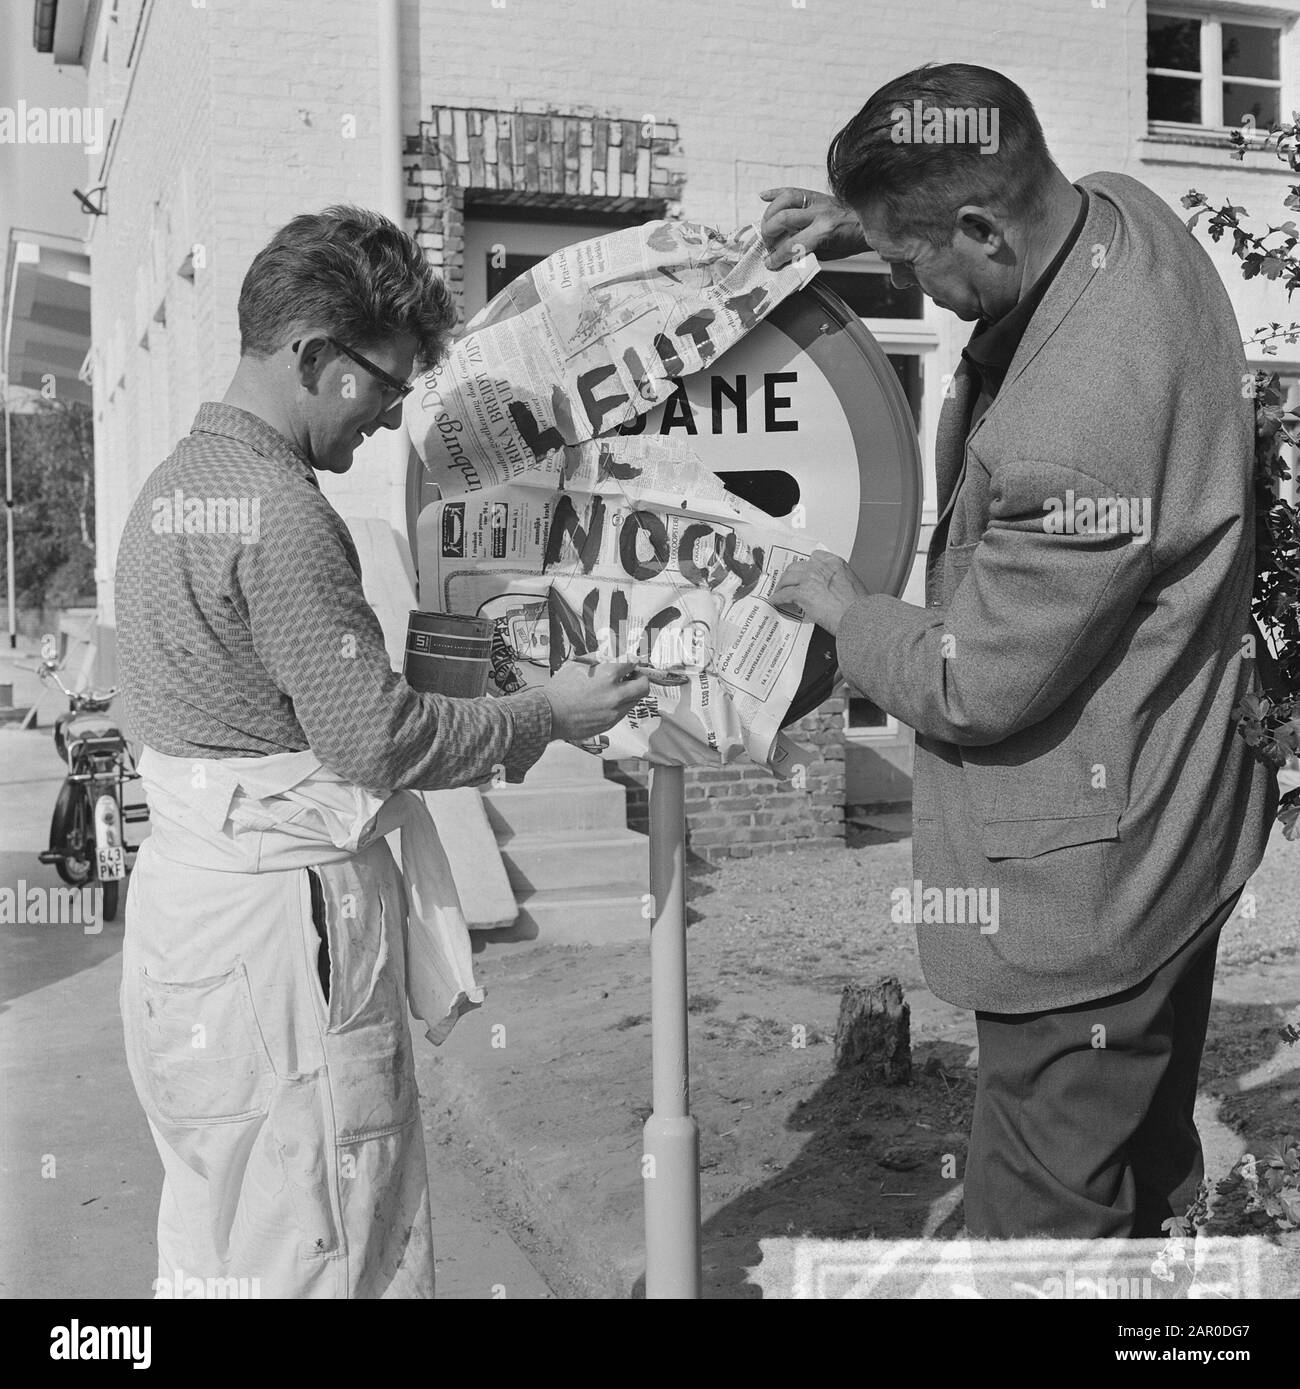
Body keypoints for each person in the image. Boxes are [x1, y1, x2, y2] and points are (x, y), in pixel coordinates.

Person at [766, 64, 1278, 1239]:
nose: (911, 287)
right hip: (1181, 824)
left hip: (1086, 899)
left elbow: (970, 679)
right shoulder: (1124, 215)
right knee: (1137, 1179)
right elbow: (992, 215)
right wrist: (868, 220)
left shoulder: (1074, 428)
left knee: (1040, 1229)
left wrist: (848, 610)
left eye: (913, 263)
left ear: (982, 229)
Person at [114, 205, 650, 1297]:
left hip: (188, 924)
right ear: (314, 353)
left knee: (223, 1233)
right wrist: (547, 711)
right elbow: (377, 737)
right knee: (331, 1235)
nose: (389, 418)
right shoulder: (281, 512)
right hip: (282, 943)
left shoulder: (169, 492)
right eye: (386, 386)